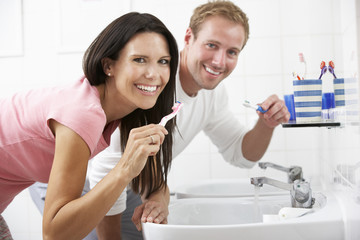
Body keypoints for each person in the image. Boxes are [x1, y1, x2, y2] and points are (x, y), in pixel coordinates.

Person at [30, 0, 290, 239]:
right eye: (212, 45)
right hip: (75, 177)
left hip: (125, 180)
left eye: (232, 52)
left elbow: (240, 154)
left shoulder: (212, 95)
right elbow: (105, 168)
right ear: (188, 37)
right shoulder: (149, 88)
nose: (219, 61)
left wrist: (266, 125)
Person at [0, 12, 179, 239]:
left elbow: (153, 180)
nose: (154, 74)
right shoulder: (84, 113)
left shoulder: (123, 111)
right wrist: (124, 169)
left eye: (163, 61)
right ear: (108, 66)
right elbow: (55, 234)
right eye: (139, 59)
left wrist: (158, 202)